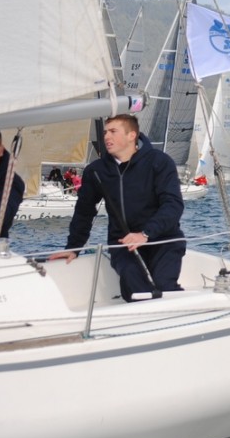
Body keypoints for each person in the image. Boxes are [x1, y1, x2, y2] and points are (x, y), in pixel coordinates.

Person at [49, 114, 186, 302]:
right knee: (136, 292)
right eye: (105, 132)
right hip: (123, 243)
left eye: (113, 131)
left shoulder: (159, 162)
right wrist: (73, 247)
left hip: (163, 240)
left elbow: (173, 205)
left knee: (165, 287)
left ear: (132, 135)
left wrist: (145, 234)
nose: (106, 137)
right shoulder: (96, 171)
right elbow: (84, 212)